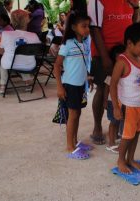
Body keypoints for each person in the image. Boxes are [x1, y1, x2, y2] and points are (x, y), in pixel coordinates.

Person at [87, 0, 140, 145]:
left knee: (125, 89)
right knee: (102, 88)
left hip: (124, 53)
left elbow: (134, 26)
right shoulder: (97, 1)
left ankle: (118, 123)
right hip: (103, 53)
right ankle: (97, 127)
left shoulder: (129, 1)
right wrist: (105, 58)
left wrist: (136, 7)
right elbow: (94, 29)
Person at [110, 23, 140, 173]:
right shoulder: (122, 61)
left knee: (137, 132)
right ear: (129, 43)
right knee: (127, 136)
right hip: (129, 106)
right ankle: (121, 160)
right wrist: (115, 106)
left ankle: (130, 158)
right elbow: (113, 85)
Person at [54, 12, 93, 160]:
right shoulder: (68, 44)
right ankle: (70, 147)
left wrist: (88, 78)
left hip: (80, 85)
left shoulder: (83, 43)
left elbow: (82, 64)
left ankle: (75, 142)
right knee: (73, 115)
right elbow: (57, 66)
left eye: (88, 26)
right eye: (84, 26)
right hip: (69, 85)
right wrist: (59, 87)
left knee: (78, 113)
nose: (87, 29)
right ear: (73, 27)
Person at [0, 9, 40, 94]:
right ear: (27, 21)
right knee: (22, 58)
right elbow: (38, 49)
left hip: (10, 64)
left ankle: (2, 86)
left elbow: (2, 47)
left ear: (12, 21)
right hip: (30, 66)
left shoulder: (6, 34)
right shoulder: (34, 35)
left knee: (3, 62)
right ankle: (27, 81)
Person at [104, 44, 125, 154]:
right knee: (114, 122)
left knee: (120, 120)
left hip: (123, 101)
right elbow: (107, 88)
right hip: (112, 102)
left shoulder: (126, 71)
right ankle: (111, 143)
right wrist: (104, 102)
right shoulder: (112, 73)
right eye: (119, 57)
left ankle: (116, 137)